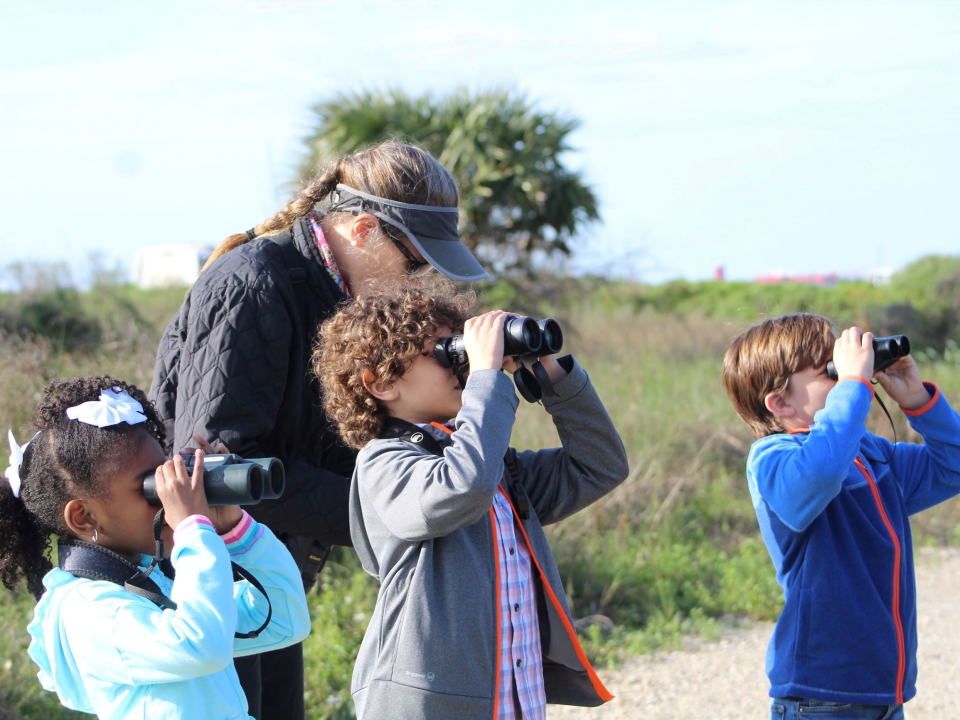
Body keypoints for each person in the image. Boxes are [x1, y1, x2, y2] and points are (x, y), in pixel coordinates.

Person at [149, 140, 488, 719]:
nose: (418, 281)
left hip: (264, 573)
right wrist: (385, 508)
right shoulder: (253, 282)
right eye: (415, 261)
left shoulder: (332, 293)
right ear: (361, 230)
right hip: (206, 583)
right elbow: (219, 465)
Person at [314, 285, 630, 719]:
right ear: (381, 382)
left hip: (511, 696)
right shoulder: (384, 462)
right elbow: (463, 487)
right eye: (442, 354)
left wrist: (554, 379)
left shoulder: (491, 467)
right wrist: (486, 378)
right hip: (428, 704)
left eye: (459, 351)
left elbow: (600, 466)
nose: (460, 366)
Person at [0, 376, 311, 720]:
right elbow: (199, 646)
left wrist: (232, 529)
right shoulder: (86, 610)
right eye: (149, 487)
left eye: (165, 475)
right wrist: (194, 530)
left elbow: (285, 619)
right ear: (84, 517)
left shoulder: (154, 585)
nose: (167, 496)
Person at [721, 315, 960, 720]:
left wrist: (917, 400)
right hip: (820, 694)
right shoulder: (772, 459)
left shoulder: (871, 454)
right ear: (781, 403)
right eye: (830, 370)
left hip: (882, 690)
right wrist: (851, 387)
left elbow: (953, 466)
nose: (853, 376)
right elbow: (819, 474)